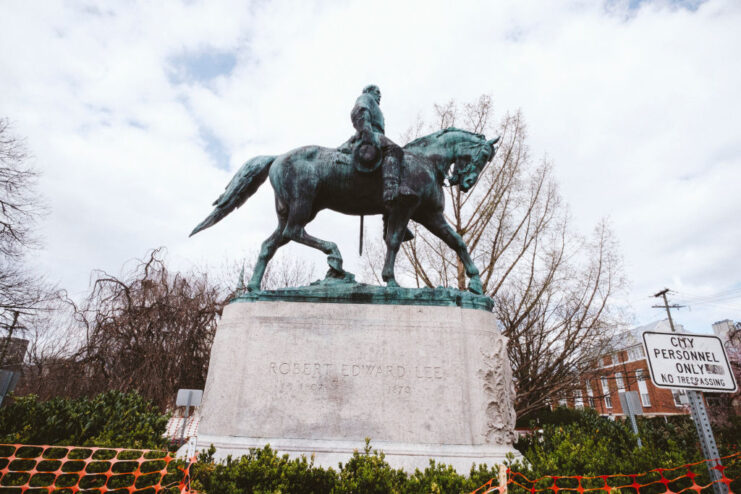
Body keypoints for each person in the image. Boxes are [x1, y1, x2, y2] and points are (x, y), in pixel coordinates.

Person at [342, 85, 415, 241]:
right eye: (377, 92)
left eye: (380, 93)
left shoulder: (376, 106)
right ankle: (391, 190)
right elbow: (359, 111)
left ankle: (388, 222)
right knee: (394, 150)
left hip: (373, 135)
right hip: (369, 135)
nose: (379, 96)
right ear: (369, 92)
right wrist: (367, 130)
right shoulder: (366, 98)